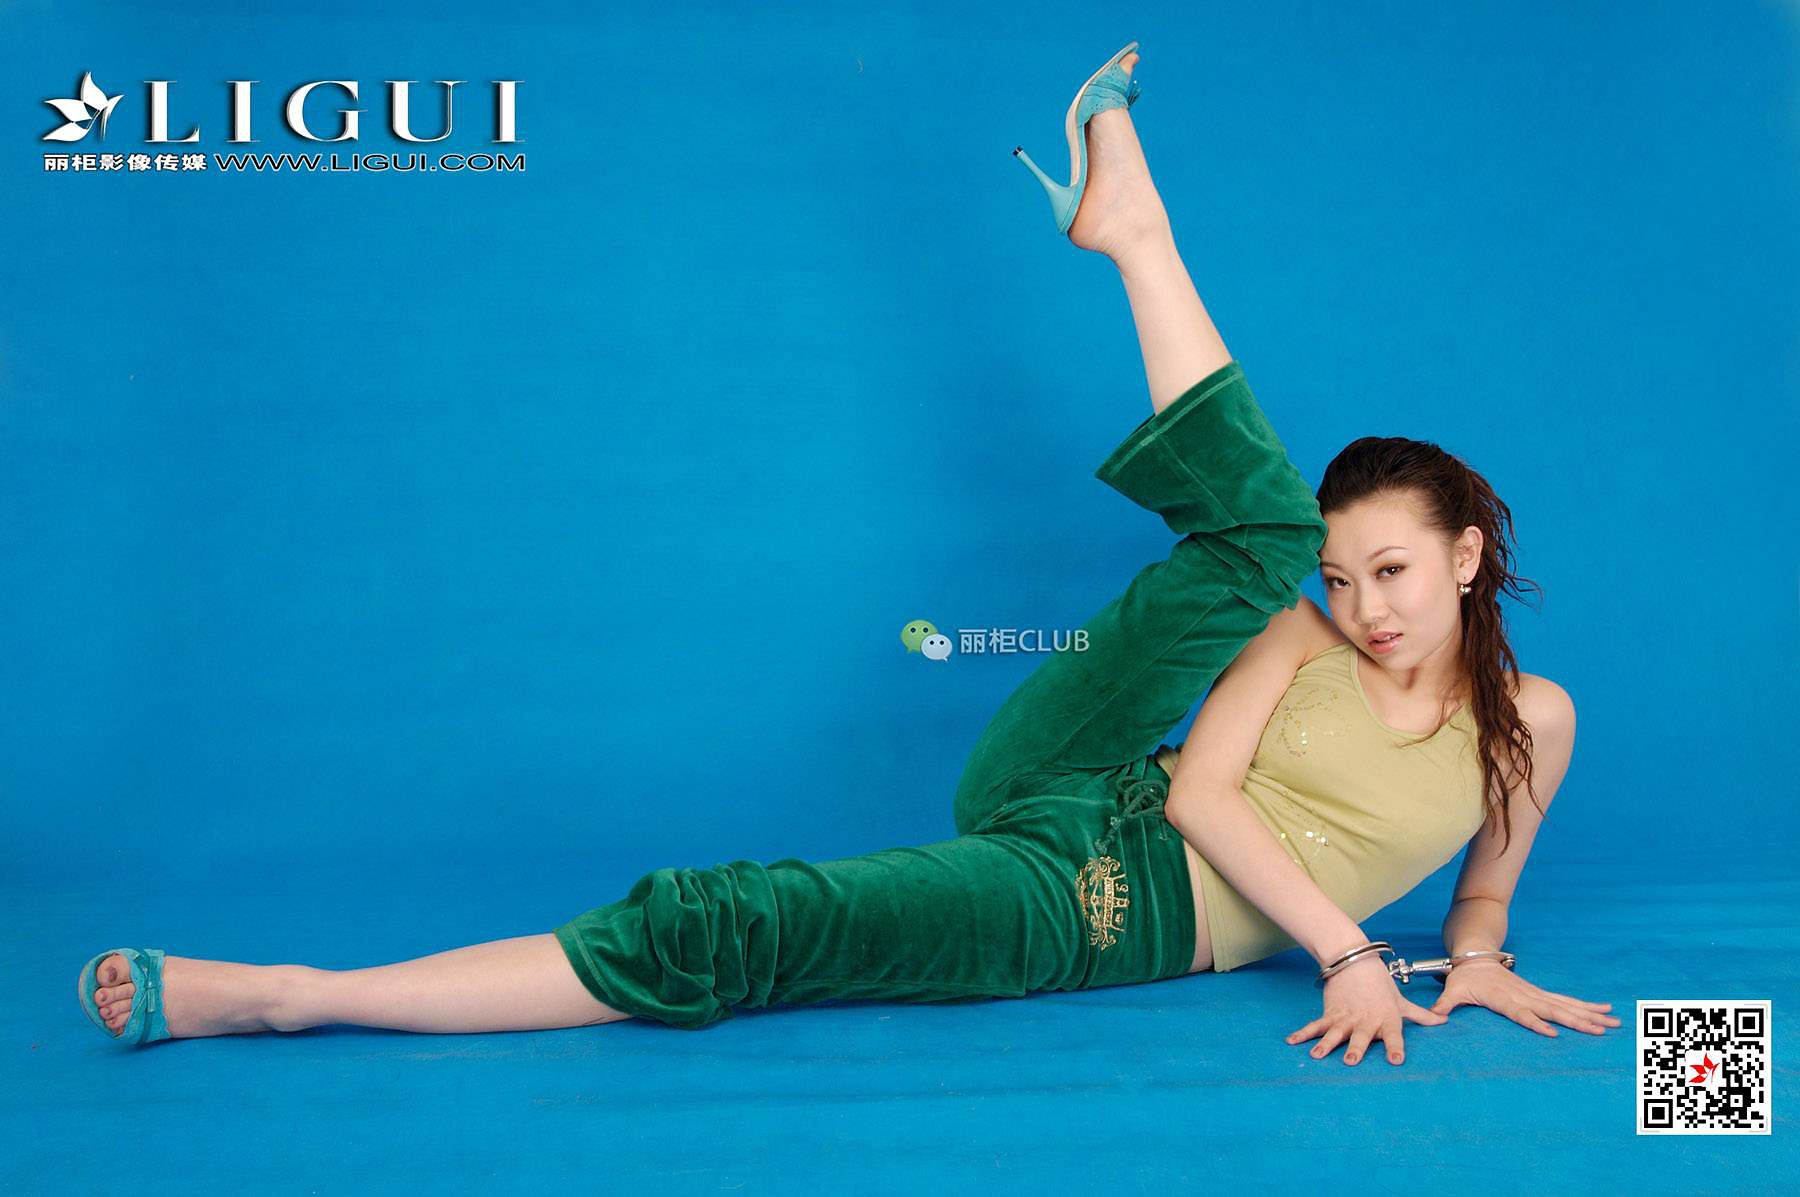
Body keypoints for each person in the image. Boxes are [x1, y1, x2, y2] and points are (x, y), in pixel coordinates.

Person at [77, 42, 1621, 1066]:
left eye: (1392, 573)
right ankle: (1131, 229)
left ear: (1468, 556)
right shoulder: (1304, 631)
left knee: (761, 924)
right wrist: (1350, 950)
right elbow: (1202, 792)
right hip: (1106, 792)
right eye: (1346, 578)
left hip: (1099, 896)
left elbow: (1481, 890)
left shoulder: (1534, 724)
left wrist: (1474, 954)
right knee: (1256, 532)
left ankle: (289, 996)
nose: (1359, 605)